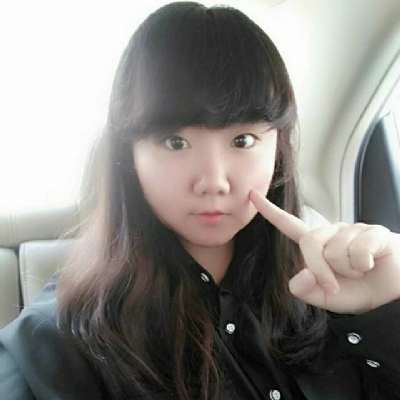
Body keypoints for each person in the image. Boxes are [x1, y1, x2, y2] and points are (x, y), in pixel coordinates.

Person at [1, 2, 400, 399]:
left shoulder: (329, 293)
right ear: (129, 156)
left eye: (242, 140)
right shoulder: (52, 347)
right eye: (175, 142)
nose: (214, 181)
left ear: (277, 150)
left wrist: (385, 310)